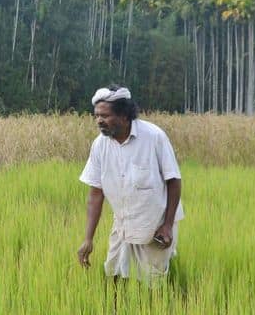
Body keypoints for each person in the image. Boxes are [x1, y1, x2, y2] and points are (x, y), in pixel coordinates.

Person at [77, 85, 184, 280]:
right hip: (123, 224)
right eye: (96, 116)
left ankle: (154, 310)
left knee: (153, 281)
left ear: (125, 116)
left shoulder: (154, 137)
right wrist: (88, 239)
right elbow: (95, 193)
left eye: (105, 116)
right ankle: (117, 311)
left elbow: (174, 181)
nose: (99, 121)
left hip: (155, 225)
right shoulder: (99, 145)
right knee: (114, 274)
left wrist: (168, 225)